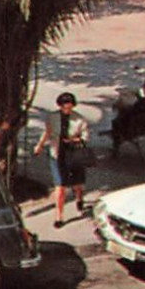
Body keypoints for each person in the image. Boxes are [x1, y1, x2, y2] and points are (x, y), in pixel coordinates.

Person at [34, 91, 91, 228]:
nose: (67, 110)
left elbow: (85, 137)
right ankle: (59, 216)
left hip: (73, 155)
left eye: (69, 107)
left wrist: (73, 139)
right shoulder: (53, 118)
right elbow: (47, 132)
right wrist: (39, 146)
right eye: (64, 107)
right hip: (57, 155)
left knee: (76, 184)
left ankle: (79, 198)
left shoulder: (80, 120)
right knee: (60, 187)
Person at [110, 75, 145, 154]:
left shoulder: (142, 103)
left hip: (136, 129)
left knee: (116, 121)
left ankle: (115, 148)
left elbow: (131, 113)